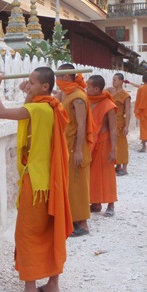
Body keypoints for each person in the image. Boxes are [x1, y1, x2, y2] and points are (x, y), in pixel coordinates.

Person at [0, 67, 73, 292]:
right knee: (49, 230)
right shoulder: (53, 107)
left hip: (35, 183)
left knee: (27, 234)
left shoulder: (37, 109)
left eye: (32, 83)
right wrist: (29, 92)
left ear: (45, 87)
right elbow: (32, 110)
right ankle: (52, 284)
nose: (28, 85)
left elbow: (1, 112)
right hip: (52, 181)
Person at [55, 63, 96, 237]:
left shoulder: (78, 97)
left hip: (75, 148)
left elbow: (81, 125)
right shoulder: (67, 93)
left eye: (59, 76)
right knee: (70, 184)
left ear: (65, 77)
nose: (57, 80)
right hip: (66, 146)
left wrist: (79, 150)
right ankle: (72, 220)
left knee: (78, 184)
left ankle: (83, 224)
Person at [87, 75, 118, 217]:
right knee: (91, 174)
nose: (86, 89)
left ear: (96, 89)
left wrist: (113, 150)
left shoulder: (108, 105)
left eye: (88, 87)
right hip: (90, 143)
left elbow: (113, 128)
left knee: (107, 174)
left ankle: (111, 204)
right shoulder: (86, 101)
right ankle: (96, 203)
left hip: (104, 143)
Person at [107, 73, 131, 176]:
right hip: (110, 122)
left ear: (121, 81)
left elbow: (128, 112)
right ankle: (118, 166)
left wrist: (126, 126)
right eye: (113, 80)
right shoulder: (110, 91)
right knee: (113, 145)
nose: (113, 82)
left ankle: (124, 168)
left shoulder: (125, 95)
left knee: (121, 145)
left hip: (120, 122)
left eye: (115, 80)